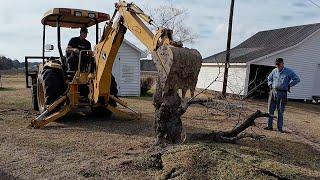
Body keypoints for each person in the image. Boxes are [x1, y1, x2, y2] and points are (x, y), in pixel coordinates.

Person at [265, 58, 300, 132]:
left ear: (282, 64)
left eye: (279, 64)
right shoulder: (274, 71)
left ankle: (279, 128)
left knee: (280, 111)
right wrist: (270, 85)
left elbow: (297, 79)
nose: (277, 66)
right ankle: (269, 126)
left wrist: (289, 85)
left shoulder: (289, 71)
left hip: (282, 93)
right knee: (270, 110)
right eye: (276, 64)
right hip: (273, 92)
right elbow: (269, 78)